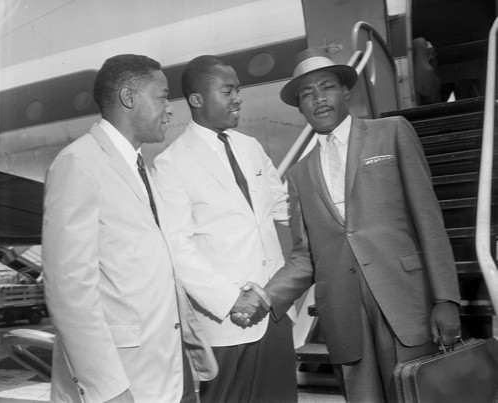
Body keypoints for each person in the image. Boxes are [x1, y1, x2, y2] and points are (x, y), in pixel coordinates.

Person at [246, 47, 462, 402]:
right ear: (299, 106)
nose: (318, 99)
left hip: (404, 302)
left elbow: (429, 220)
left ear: (345, 90)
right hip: (345, 315)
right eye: (306, 93)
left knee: (419, 395)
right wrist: (269, 297)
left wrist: (446, 298)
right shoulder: (300, 174)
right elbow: (304, 256)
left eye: (326, 87)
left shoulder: (391, 132)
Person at [43, 54, 215, 403]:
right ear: (128, 97)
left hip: (164, 371)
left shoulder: (140, 167)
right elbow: (69, 291)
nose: (170, 109)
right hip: (121, 382)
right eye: (162, 96)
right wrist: (107, 388)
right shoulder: (79, 163)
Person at [151, 55, 297, 403]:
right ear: (197, 99)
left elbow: (283, 209)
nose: (238, 98)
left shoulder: (250, 147)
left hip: (274, 310)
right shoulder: (170, 164)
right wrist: (232, 300)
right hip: (228, 323)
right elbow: (178, 248)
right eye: (228, 90)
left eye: (238, 90)